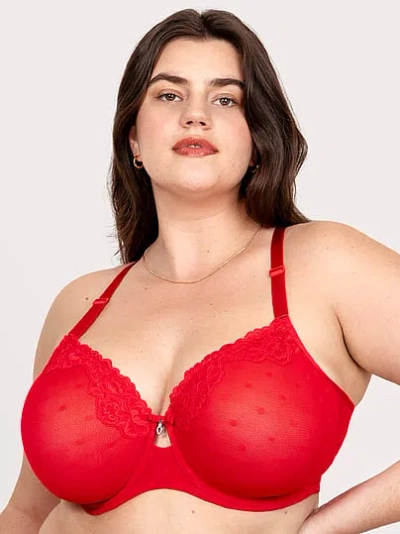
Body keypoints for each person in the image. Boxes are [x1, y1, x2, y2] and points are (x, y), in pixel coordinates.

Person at [1, 8, 399, 534]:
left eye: (226, 99)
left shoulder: (323, 264)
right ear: (134, 140)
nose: (195, 115)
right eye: (169, 95)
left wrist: (328, 527)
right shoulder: (79, 305)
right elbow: (25, 514)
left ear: (256, 140)